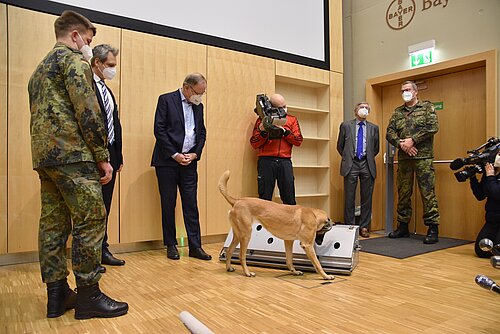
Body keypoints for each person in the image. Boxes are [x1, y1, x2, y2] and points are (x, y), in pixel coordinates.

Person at [28, 10, 128, 319]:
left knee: (53, 226)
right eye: (87, 40)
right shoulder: (74, 63)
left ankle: (57, 295)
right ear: (75, 36)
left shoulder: (39, 70)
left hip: (46, 159)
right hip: (74, 157)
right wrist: (102, 157)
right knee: (90, 220)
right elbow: (88, 113)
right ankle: (88, 295)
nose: (88, 46)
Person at [151, 73, 211, 261]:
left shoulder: (198, 106)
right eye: (197, 93)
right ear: (187, 87)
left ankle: (195, 246)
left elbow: (202, 133)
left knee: (191, 204)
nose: (199, 97)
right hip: (168, 162)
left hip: (189, 163)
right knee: (169, 203)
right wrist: (175, 155)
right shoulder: (166, 100)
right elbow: (159, 130)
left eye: (202, 94)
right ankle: (171, 244)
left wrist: (195, 154)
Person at [386, 80, 440, 244]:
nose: (405, 92)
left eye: (408, 89)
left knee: (427, 193)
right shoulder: (397, 112)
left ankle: (432, 228)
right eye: (403, 90)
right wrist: (402, 144)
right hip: (404, 159)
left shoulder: (427, 107)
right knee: (403, 192)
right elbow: (389, 132)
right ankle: (403, 226)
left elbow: (433, 127)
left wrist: (413, 140)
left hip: (423, 158)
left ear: (416, 92)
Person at [91, 44, 125, 272]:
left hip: (110, 154)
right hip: (92, 155)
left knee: (105, 205)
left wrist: (118, 155)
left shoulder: (107, 90)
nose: (113, 70)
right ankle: (90, 254)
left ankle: (103, 248)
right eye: (110, 65)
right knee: (92, 208)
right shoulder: (86, 87)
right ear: (97, 63)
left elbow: (115, 124)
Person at [250, 94, 303, 205]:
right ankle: (264, 223)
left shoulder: (292, 120)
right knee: (264, 199)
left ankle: (290, 222)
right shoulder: (262, 120)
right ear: (273, 107)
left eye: (285, 106)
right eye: (281, 107)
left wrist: (285, 132)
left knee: (289, 197)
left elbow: (298, 141)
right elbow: (254, 143)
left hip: (285, 161)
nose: (284, 109)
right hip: (266, 161)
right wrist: (264, 131)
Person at [337, 102, 379, 238]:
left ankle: (364, 227)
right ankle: (350, 226)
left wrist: (366, 158)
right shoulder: (346, 126)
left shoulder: (374, 128)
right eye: (362, 107)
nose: (364, 110)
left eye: (367, 108)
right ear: (355, 111)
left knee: (367, 198)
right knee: (349, 197)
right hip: (351, 163)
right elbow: (340, 146)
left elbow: (376, 148)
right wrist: (349, 157)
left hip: (367, 164)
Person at [470, 154, 500, 258]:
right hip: (492, 221)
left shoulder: (490, 174)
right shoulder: (490, 171)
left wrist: (491, 177)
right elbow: (480, 195)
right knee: (481, 250)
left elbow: (497, 194)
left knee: (497, 249)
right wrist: (472, 178)